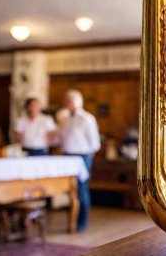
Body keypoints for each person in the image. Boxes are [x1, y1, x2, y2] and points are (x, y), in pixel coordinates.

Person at [60, 89, 101, 231]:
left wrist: (87, 157)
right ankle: (71, 220)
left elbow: (95, 143)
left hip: (81, 157)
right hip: (67, 156)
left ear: (74, 102)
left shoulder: (86, 118)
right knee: (70, 191)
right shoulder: (66, 118)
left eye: (67, 101)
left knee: (82, 190)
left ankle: (82, 222)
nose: (64, 103)